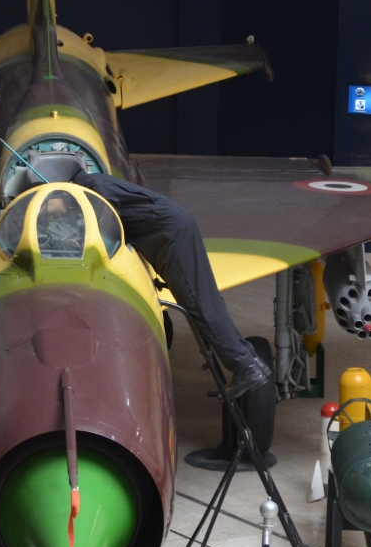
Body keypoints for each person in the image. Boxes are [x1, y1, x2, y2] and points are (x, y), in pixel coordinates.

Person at [73, 170, 273, 400]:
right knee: (207, 300)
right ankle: (251, 362)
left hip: (170, 237)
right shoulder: (96, 181)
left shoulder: (93, 189)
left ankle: (245, 367)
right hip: (175, 228)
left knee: (200, 305)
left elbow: (99, 227)